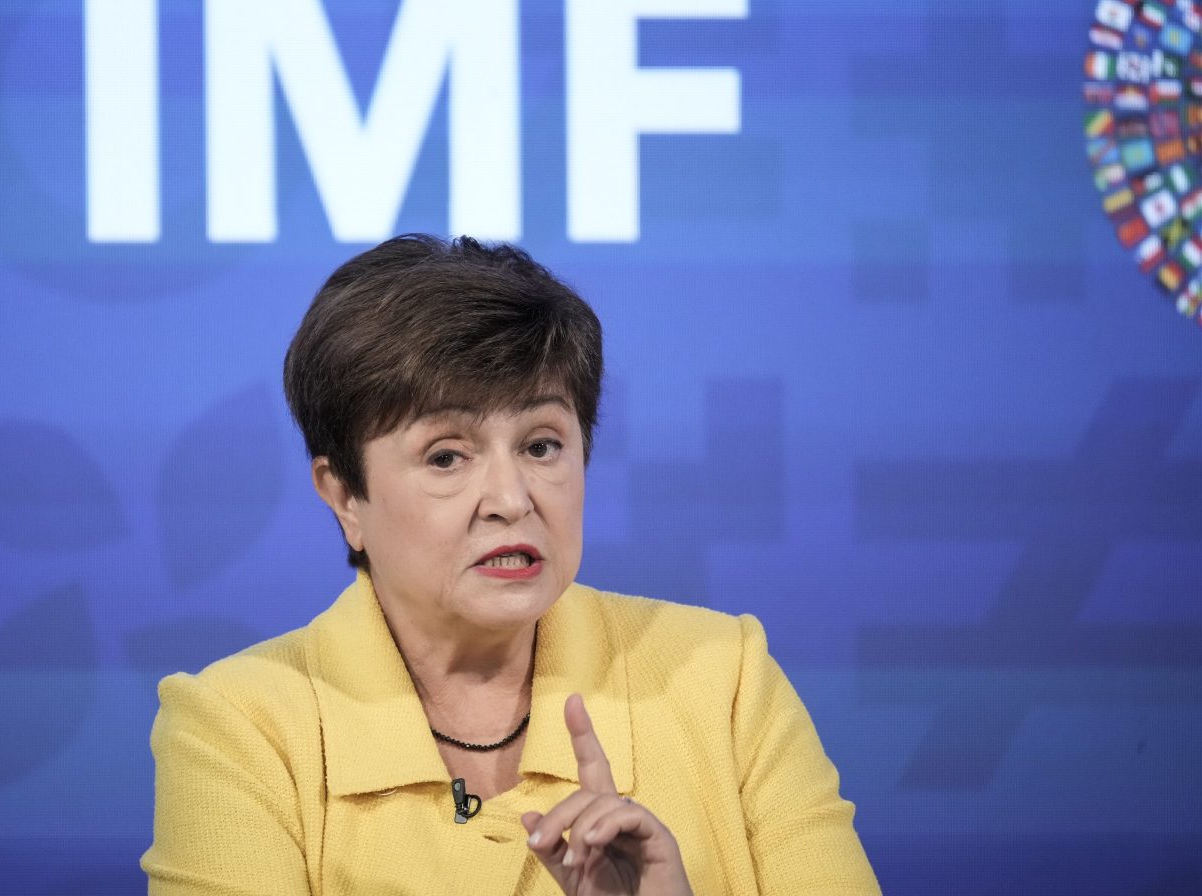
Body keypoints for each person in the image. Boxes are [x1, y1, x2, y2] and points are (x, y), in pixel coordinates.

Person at [141, 234, 881, 895]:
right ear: (344, 496)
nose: (510, 498)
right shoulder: (240, 727)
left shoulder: (721, 679)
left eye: (541, 445)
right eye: (447, 456)